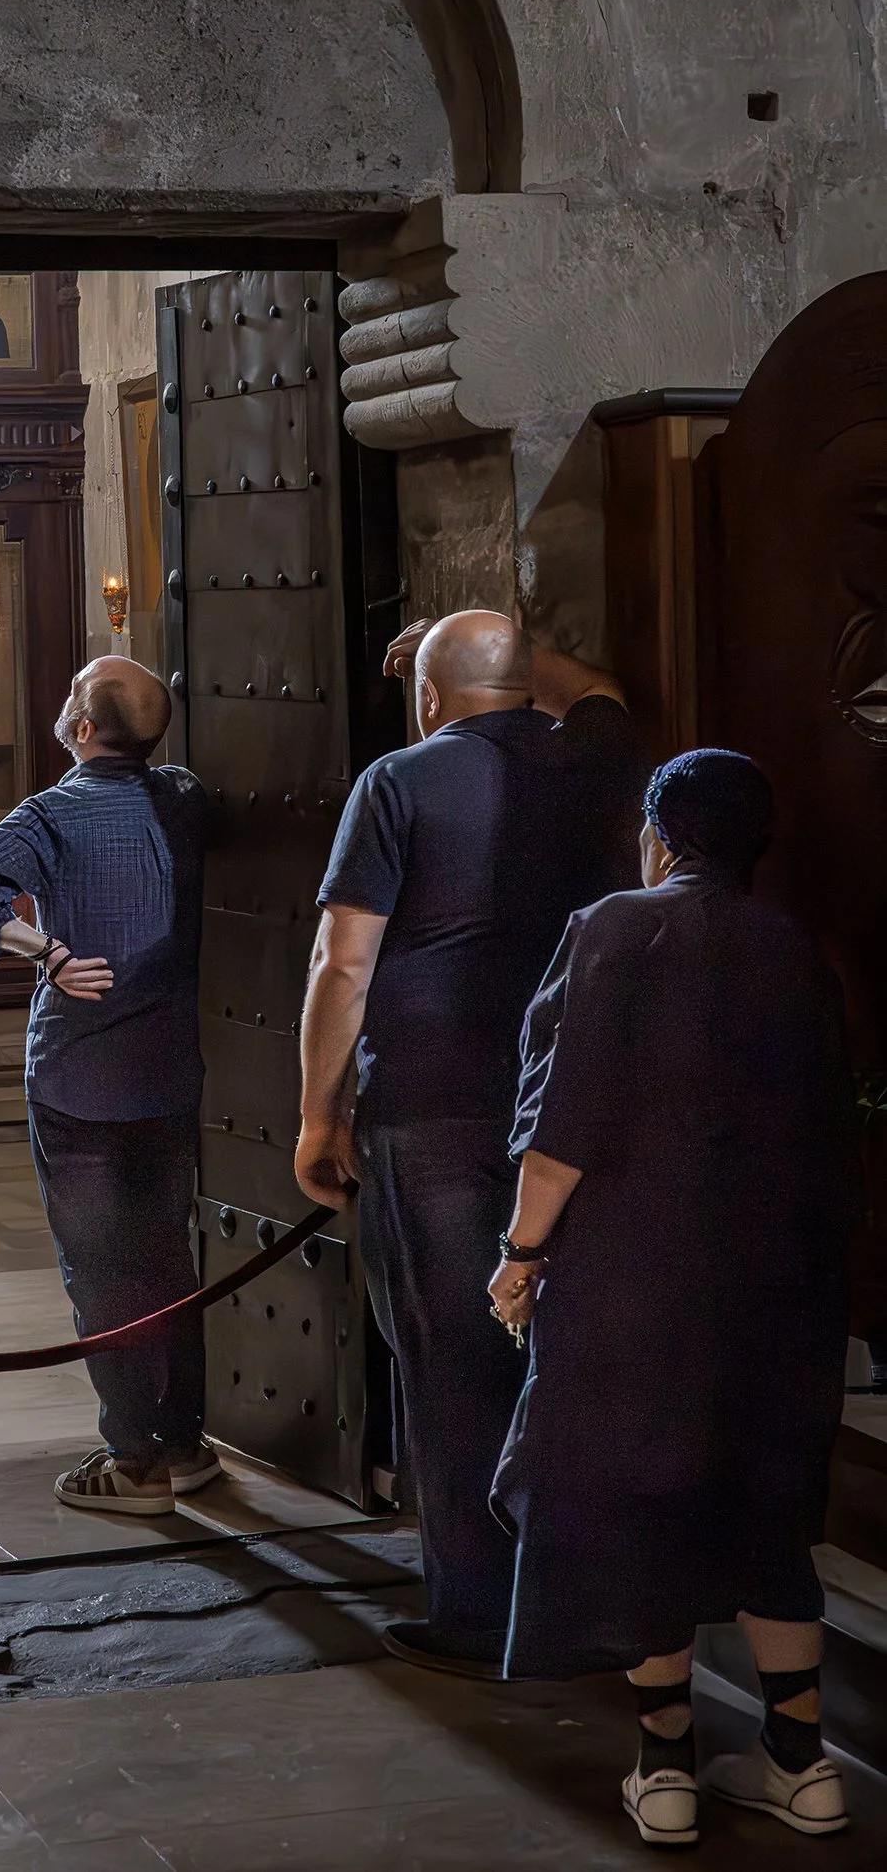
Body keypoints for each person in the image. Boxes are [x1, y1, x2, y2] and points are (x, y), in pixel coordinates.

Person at [488, 750, 859, 1847]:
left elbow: (568, 1123)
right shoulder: (795, 950)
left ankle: (666, 1773)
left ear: (659, 833)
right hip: (780, 1283)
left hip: (632, 1277)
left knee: (645, 1505)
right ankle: (804, 1765)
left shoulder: (613, 928)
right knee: (768, 1506)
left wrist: (518, 1253)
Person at [295, 610, 646, 1673]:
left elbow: (343, 963)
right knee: (568, 1348)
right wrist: (508, 648)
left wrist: (319, 1114)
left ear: (429, 697)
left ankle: (475, 1616)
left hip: (432, 1103)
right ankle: (580, 1602)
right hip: (570, 1102)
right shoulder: (592, 759)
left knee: (449, 1357)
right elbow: (604, 696)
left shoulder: (399, 780)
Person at [0, 657, 217, 1516]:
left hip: (77, 1076)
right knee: (168, 1256)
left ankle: (132, 1467)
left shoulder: (50, 814)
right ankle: (186, 1445)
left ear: (84, 729)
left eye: (68, 696)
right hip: (171, 1071)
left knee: (99, 1268)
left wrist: (46, 953)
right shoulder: (184, 799)